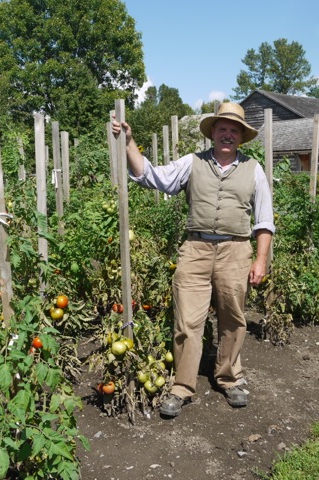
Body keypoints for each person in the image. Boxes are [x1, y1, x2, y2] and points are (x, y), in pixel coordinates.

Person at [112, 102, 275, 417]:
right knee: (187, 321)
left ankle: (230, 377)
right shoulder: (192, 162)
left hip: (236, 250)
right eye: (222, 129)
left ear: (241, 137)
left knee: (233, 318)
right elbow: (152, 177)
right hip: (196, 250)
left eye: (234, 130)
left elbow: (264, 220)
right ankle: (183, 387)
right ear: (213, 133)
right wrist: (129, 142)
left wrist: (261, 259)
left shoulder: (253, 169)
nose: (228, 135)